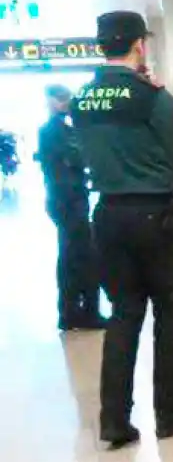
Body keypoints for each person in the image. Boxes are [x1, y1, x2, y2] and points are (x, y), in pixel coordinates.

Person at [72, 10, 173, 449]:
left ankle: (114, 420)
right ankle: (170, 412)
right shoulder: (149, 96)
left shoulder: (81, 99)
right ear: (139, 45)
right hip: (156, 214)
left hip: (108, 214)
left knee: (124, 314)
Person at [38, 85, 104, 332]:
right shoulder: (55, 130)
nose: (67, 103)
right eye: (62, 99)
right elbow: (78, 157)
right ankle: (81, 312)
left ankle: (72, 311)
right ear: (52, 101)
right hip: (68, 200)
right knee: (80, 255)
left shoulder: (59, 128)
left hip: (65, 198)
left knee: (72, 254)